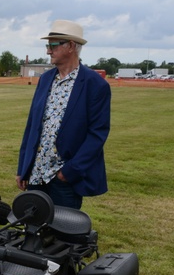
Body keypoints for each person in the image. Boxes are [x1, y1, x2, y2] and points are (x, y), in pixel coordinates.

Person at [16, 19, 110, 209]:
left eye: (53, 45)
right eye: (47, 45)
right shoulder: (45, 79)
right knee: (33, 230)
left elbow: (97, 134)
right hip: (36, 173)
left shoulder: (95, 84)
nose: (48, 51)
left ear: (71, 47)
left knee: (62, 233)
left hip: (64, 178)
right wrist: (23, 168)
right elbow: (32, 126)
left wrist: (68, 172)